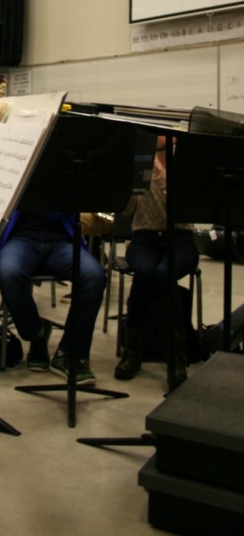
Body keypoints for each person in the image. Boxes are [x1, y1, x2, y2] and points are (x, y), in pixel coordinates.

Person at [114, 135, 199, 383]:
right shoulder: (141, 162)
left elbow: (192, 207)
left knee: (164, 273)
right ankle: (133, 351)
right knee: (146, 272)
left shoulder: (184, 164)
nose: (160, 136)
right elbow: (126, 210)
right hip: (143, 240)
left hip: (180, 239)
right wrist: (129, 181)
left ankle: (177, 357)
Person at [0, 211, 106, 385]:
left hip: (61, 241)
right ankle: (37, 333)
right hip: (21, 238)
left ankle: (68, 354)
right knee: (8, 273)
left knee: (94, 276)